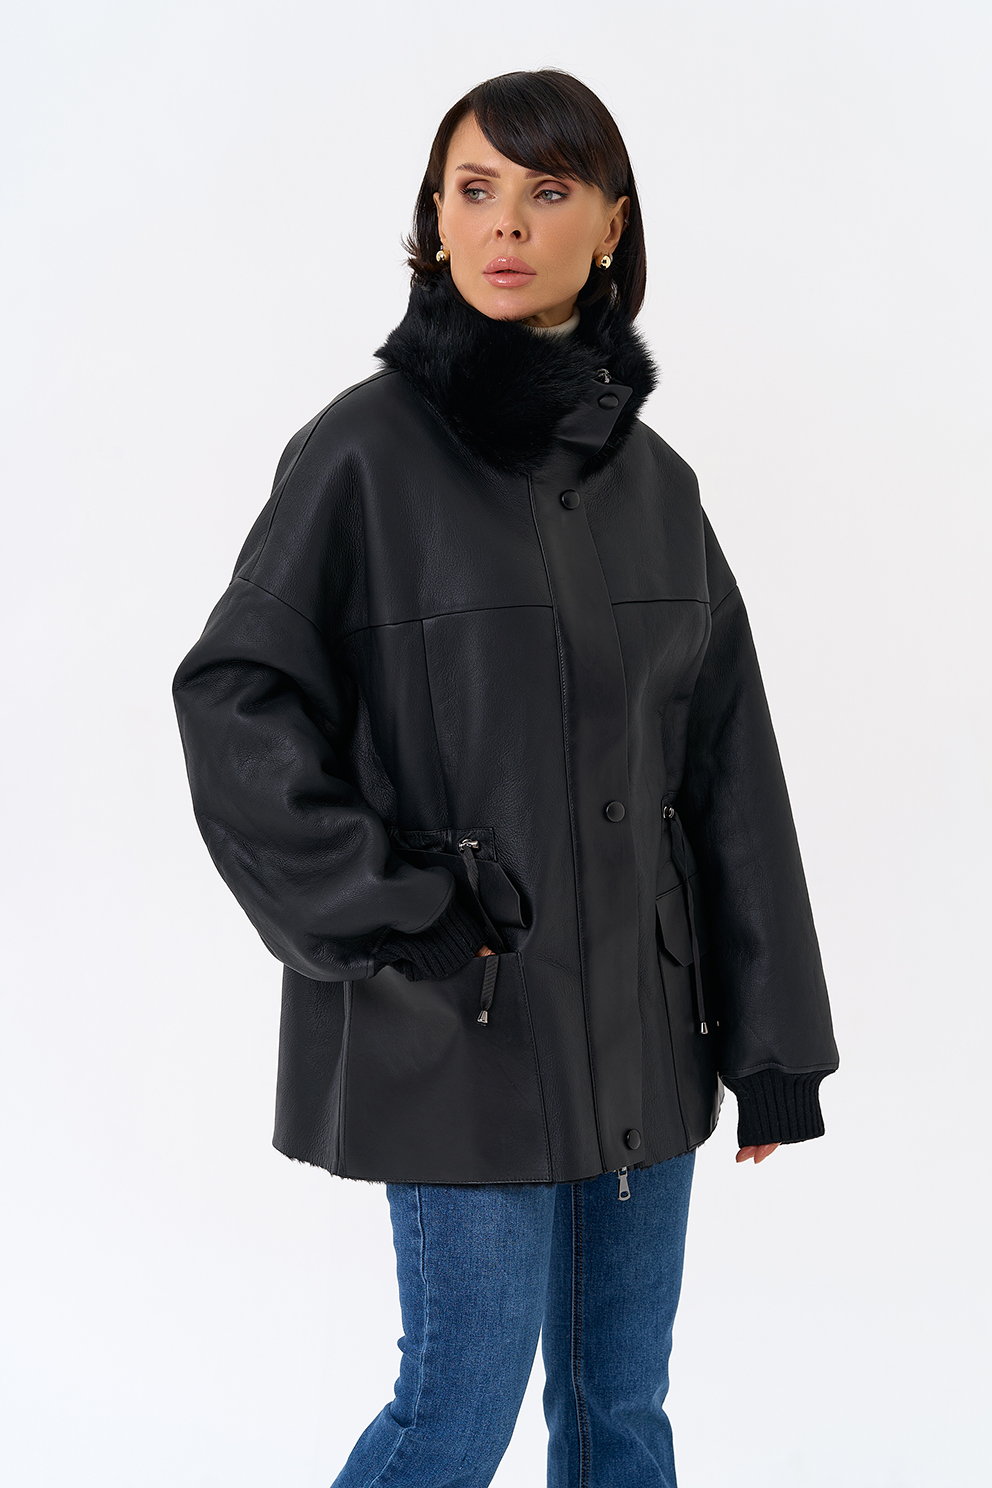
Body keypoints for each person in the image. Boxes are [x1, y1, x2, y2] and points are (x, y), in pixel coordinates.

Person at [172, 68, 840, 1488]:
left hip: (643, 1034)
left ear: (612, 226)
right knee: (453, 1412)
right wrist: (392, 903)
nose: (507, 224)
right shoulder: (363, 453)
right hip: (461, 1023)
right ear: (433, 219)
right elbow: (235, 701)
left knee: (620, 1415)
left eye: (547, 190)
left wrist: (773, 1045)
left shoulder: (658, 487)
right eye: (474, 190)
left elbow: (732, 768)